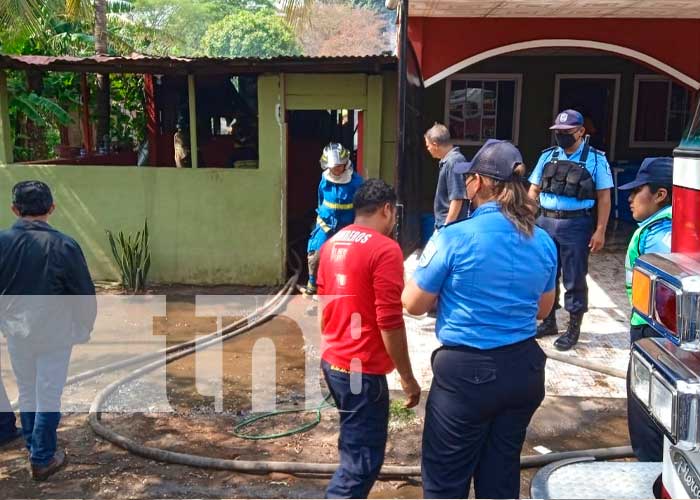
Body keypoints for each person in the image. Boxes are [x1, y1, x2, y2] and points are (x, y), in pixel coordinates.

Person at [403, 140, 557, 499]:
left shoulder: (453, 237)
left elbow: (412, 303)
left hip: (467, 378)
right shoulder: (543, 241)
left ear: (483, 183)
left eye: (469, 177)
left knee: (445, 483)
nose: (466, 184)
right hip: (524, 373)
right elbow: (543, 310)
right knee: (500, 477)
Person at [317, 179, 420, 498]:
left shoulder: (331, 244)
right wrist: (407, 378)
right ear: (388, 210)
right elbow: (389, 320)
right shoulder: (385, 249)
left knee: (353, 448)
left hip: (333, 364)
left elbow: (324, 307)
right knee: (360, 466)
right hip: (361, 373)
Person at [0, 181, 96, 480]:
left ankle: (34, 446)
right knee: (49, 394)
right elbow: (83, 294)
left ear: (15, 209)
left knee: (28, 390)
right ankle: (42, 457)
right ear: (51, 208)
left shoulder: (2, 242)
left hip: (17, 332)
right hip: (55, 333)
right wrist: (83, 327)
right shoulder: (64, 245)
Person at [528, 109, 614, 351]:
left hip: (576, 225)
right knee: (547, 273)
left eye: (566, 132)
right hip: (545, 222)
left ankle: (573, 327)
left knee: (574, 277)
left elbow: (604, 198)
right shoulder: (547, 156)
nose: (561, 136)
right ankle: (549, 321)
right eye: (558, 132)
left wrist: (600, 230)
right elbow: (533, 190)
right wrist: (525, 216)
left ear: (580, 132)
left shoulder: (595, 159)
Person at [619, 157, 673, 462]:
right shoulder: (671, 224)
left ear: (660, 195)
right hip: (656, 331)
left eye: (637, 190)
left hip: (653, 334)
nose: (629, 197)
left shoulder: (660, 234)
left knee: (646, 422)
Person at [303, 143, 364, 295]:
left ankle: (345, 289)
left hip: (348, 226)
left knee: (348, 259)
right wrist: (321, 220)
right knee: (315, 254)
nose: (336, 169)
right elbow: (321, 199)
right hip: (325, 223)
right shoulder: (325, 179)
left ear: (345, 163)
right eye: (333, 167)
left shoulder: (356, 182)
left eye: (339, 166)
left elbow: (362, 206)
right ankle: (312, 283)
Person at [424, 123, 469, 229]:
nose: (428, 149)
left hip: (451, 226)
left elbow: (457, 198)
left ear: (435, 144)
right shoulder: (449, 161)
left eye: (428, 145)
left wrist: (447, 227)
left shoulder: (453, 161)